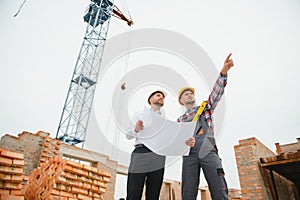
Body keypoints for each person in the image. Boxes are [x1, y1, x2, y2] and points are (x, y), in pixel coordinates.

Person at [177, 53, 234, 200]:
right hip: (189, 155)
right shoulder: (180, 120)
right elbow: (175, 142)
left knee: (218, 186)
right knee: (188, 191)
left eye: (191, 93)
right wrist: (184, 142)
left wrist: (223, 73)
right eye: (186, 95)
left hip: (208, 150)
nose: (189, 95)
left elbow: (216, 94)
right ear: (181, 101)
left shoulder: (204, 108)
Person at [125, 90, 167, 200]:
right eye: (158, 95)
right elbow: (128, 135)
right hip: (141, 152)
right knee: (134, 191)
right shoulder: (140, 114)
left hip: (158, 156)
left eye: (163, 97)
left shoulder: (165, 120)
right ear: (150, 99)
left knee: (154, 193)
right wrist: (136, 129)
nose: (161, 97)